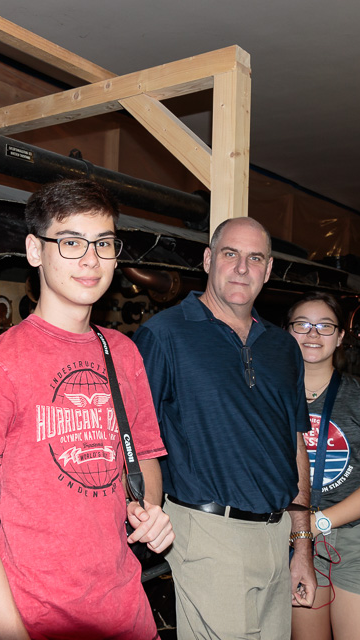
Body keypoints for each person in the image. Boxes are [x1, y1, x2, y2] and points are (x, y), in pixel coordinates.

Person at [0, 179, 174, 640]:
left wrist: (146, 510)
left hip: (128, 616)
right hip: (35, 620)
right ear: (35, 251)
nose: (91, 260)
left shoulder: (123, 353)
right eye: (71, 242)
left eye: (103, 243)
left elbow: (144, 460)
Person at [133, 216, 317, 640]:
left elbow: (294, 445)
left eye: (255, 258)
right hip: (209, 534)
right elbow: (135, 444)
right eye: (230, 254)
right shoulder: (164, 335)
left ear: (268, 270)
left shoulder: (283, 347)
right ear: (208, 259)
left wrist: (302, 546)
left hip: (276, 536)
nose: (241, 268)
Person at [286, 292, 360, 640]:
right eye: (302, 325)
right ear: (287, 332)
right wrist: (301, 530)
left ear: (340, 337)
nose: (312, 333)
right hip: (291, 540)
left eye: (325, 326)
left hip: (355, 537)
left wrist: (319, 522)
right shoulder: (271, 397)